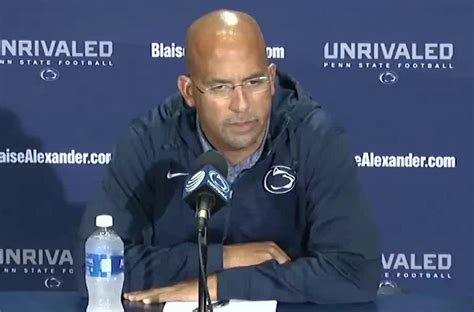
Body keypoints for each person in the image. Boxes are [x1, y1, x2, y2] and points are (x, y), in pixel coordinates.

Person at [76, 9, 381, 305]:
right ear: (189, 92)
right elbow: (91, 265)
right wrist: (226, 258)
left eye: (254, 82)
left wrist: (216, 285)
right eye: (220, 86)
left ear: (272, 78)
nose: (241, 104)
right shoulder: (150, 141)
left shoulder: (314, 137)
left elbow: (355, 272)